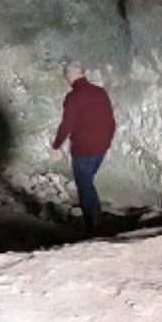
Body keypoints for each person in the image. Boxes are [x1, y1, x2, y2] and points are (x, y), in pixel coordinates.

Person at [50, 60, 116, 234]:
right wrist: (108, 145)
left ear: (70, 76)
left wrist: (56, 146)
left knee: (84, 185)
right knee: (88, 181)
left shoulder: (73, 97)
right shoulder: (100, 92)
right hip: (101, 148)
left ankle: (93, 224)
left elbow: (67, 125)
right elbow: (110, 121)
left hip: (84, 150)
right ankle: (97, 217)